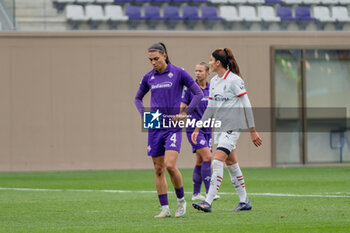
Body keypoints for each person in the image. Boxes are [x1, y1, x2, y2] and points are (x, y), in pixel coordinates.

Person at [134, 42, 203, 218]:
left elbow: (198, 94)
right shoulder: (148, 77)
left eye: (156, 59)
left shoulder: (178, 72)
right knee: (158, 169)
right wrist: (144, 114)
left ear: (164, 55)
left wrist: (184, 113)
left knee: (170, 165)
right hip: (155, 125)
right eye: (150, 60)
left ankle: (181, 201)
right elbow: (137, 98)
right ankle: (165, 208)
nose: (153, 63)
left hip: (173, 125)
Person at [191, 48, 262, 213]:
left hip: (233, 127)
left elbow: (246, 104)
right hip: (220, 128)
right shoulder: (215, 81)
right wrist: (198, 127)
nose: (209, 63)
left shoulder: (234, 80)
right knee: (231, 163)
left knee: (217, 161)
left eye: (210, 60)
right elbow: (210, 107)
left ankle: (208, 201)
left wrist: (252, 130)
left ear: (217, 63)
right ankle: (244, 201)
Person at [180, 62, 219, 201]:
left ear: (208, 72)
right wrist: (178, 115)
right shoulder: (190, 89)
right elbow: (182, 106)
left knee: (200, 160)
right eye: (196, 71)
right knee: (208, 157)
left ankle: (196, 193)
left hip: (207, 129)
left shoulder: (212, 88)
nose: (197, 73)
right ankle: (209, 192)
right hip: (193, 129)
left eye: (200, 71)